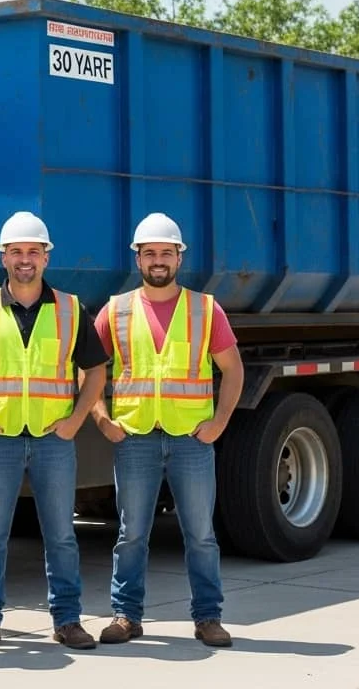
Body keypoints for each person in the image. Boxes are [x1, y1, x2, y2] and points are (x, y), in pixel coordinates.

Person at [0, 211, 109, 651]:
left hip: (53, 439)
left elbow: (96, 370)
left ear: (46, 257)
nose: (24, 259)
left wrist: (76, 420)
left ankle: (68, 620)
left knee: (61, 534)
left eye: (33, 251)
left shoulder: (71, 310)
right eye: (16, 251)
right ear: (2, 257)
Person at [89, 212, 244, 648]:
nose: (158, 260)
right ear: (137, 258)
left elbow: (233, 370)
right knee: (131, 534)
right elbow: (90, 371)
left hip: (191, 439)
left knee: (201, 535)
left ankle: (208, 618)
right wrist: (101, 418)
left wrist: (219, 423)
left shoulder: (205, 309)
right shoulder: (116, 310)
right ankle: (126, 616)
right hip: (134, 438)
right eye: (150, 253)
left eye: (166, 252)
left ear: (179, 258)